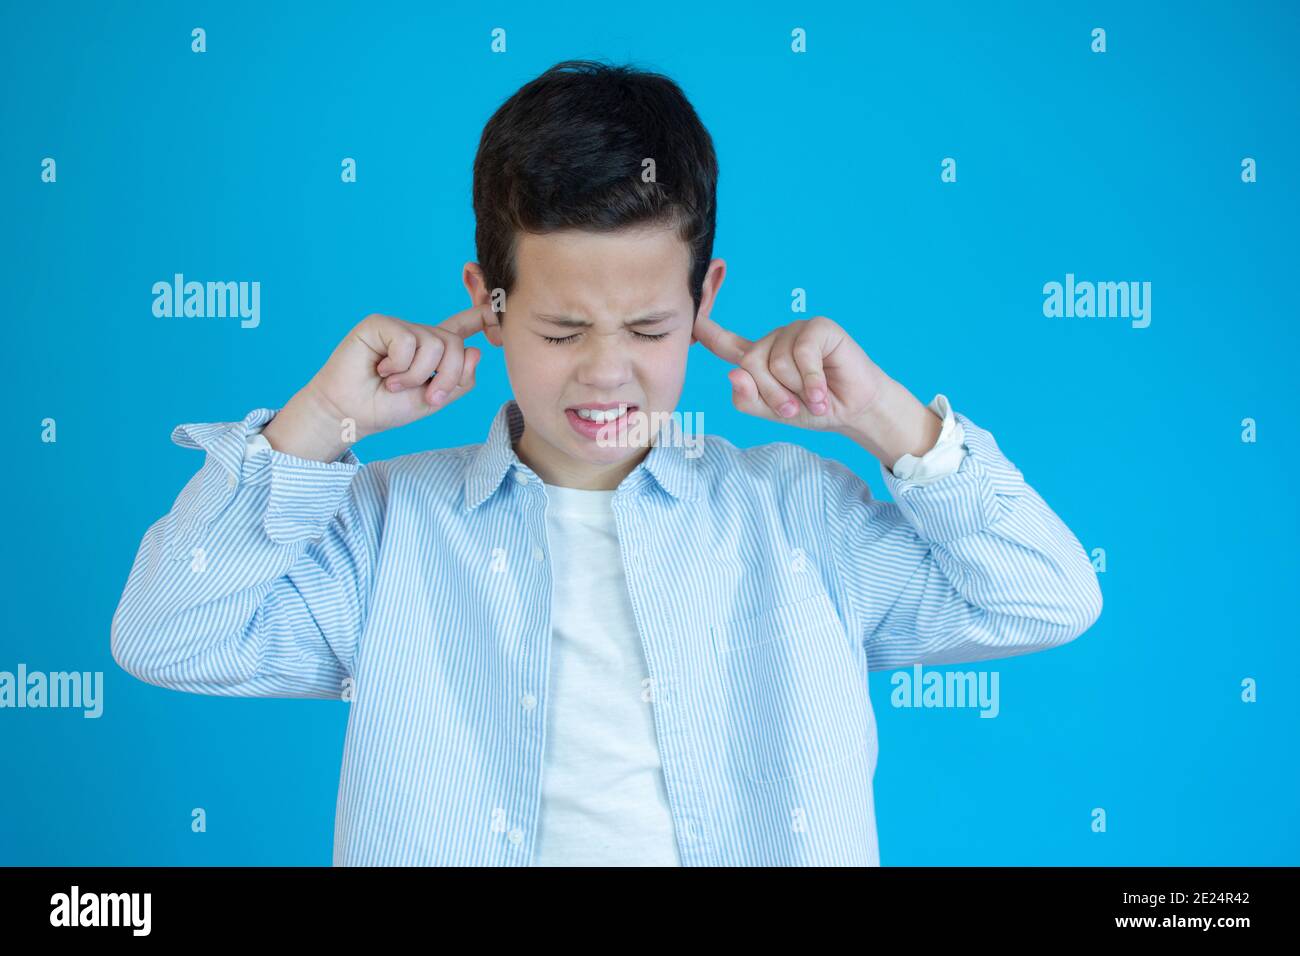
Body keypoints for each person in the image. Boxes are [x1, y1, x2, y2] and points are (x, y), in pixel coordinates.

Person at [110, 60, 1102, 866]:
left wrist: (886, 416)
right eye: (559, 326)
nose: (605, 370)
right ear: (487, 303)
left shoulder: (800, 517)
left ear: (706, 296)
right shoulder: (386, 530)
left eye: (649, 325)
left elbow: (1046, 597)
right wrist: (319, 418)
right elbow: (167, 634)